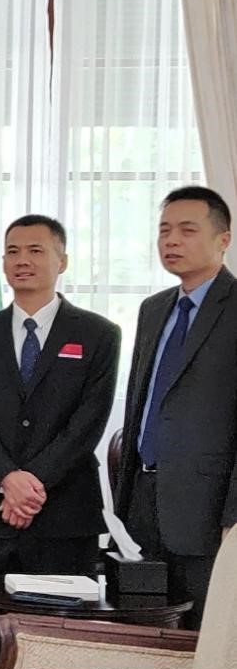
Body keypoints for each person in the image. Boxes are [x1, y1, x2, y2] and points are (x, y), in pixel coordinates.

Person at [0, 215, 120, 587]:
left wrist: (31, 485)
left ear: (62, 261)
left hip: (66, 513)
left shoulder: (99, 334)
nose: (22, 260)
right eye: (13, 252)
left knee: (60, 620)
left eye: (35, 251)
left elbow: (87, 422)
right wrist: (8, 479)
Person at [116, 186, 237, 629]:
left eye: (187, 230)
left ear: (223, 239)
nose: (171, 240)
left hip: (209, 510)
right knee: (142, 634)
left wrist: (233, 517)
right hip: (142, 502)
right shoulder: (154, 309)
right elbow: (141, 404)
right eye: (164, 230)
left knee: (204, 637)